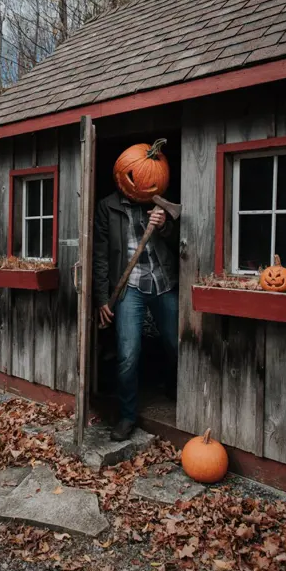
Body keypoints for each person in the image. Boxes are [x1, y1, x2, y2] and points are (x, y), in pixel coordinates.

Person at [93, 184, 179, 442]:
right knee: (128, 353)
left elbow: (182, 242)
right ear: (121, 180)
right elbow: (100, 255)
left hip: (163, 280)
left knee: (176, 344)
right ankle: (127, 415)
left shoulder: (159, 202)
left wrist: (164, 225)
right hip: (129, 284)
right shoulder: (107, 207)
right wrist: (102, 298)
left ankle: (174, 388)